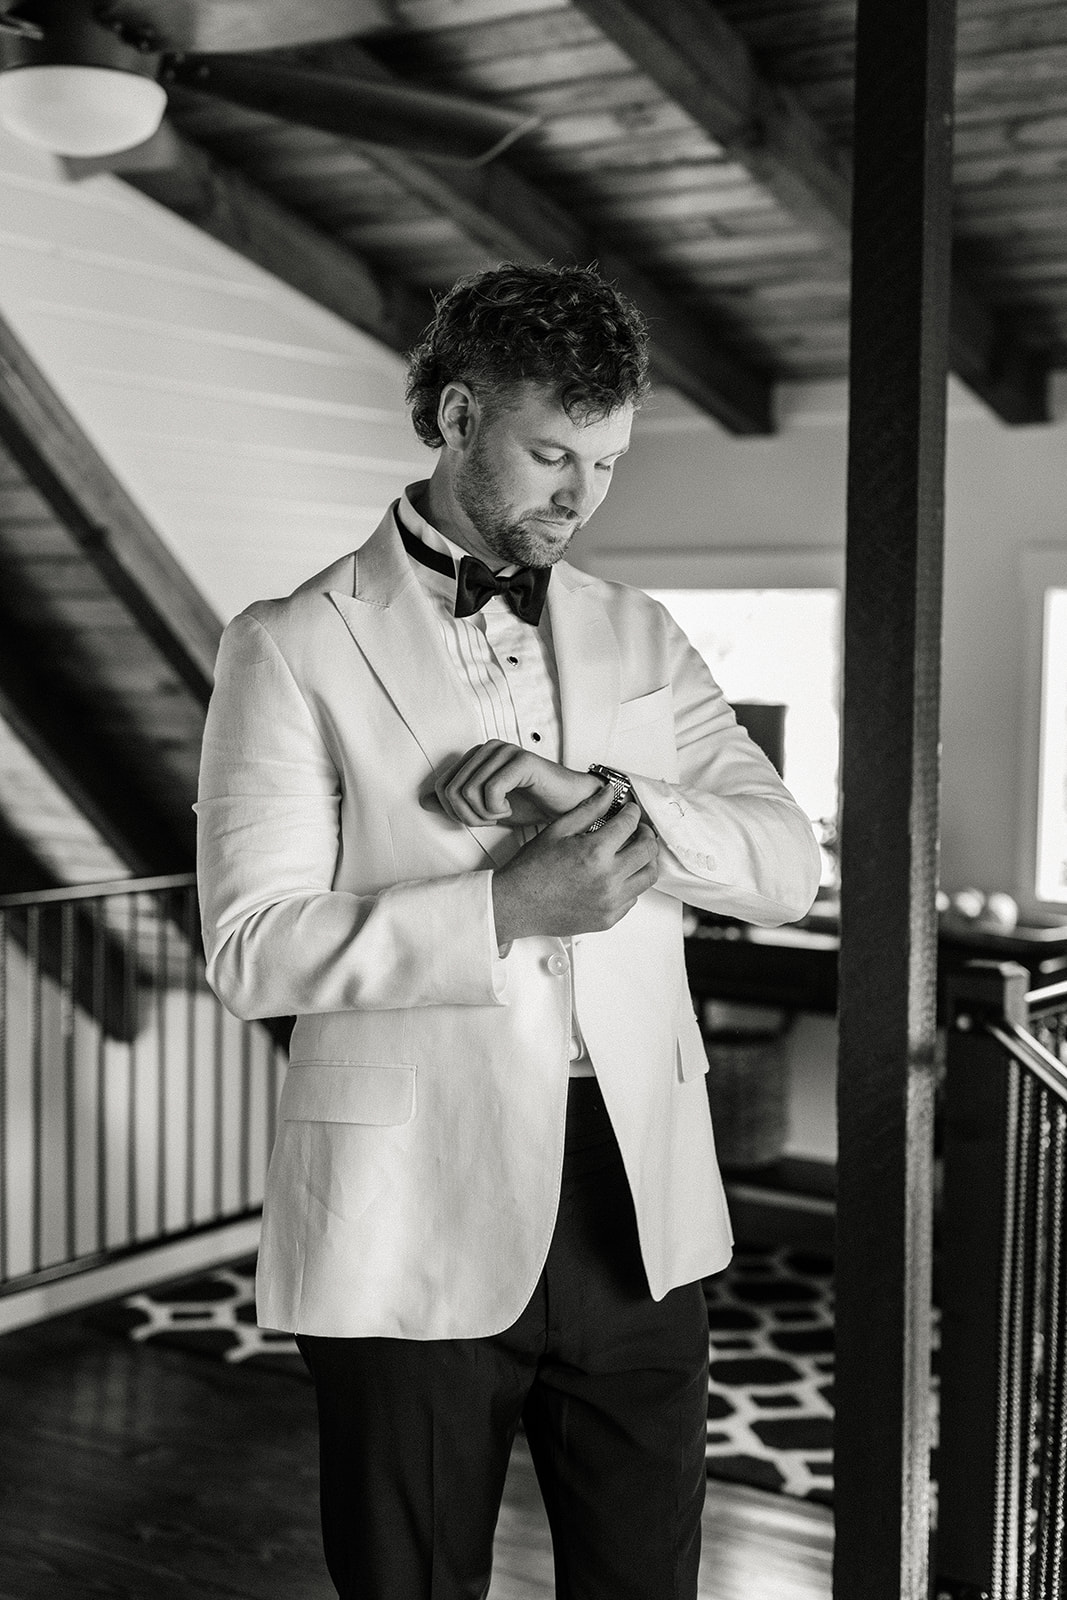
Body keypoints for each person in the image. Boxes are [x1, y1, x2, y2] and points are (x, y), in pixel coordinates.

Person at [196, 261, 820, 1600]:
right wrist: (501, 910)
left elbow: (781, 864)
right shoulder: (292, 643)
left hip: (634, 1200)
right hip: (406, 1201)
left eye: (604, 462)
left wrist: (599, 802)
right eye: (552, 454)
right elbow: (252, 943)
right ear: (457, 413)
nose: (582, 497)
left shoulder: (641, 635)